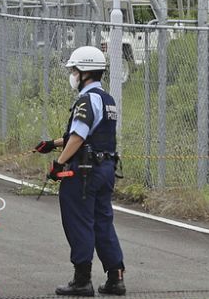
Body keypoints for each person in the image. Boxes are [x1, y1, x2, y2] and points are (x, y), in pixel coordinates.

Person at [35, 46, 126, 296]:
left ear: (84, 72)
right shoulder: (107, 100)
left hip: (84, 171)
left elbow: (78, 136)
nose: (72, 74)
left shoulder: (86, 99)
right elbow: (92, 135)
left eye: (74, 70)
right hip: (106, 167)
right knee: (103, 221)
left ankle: (82, 280)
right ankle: (115, 276)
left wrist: (58, 164)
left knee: (79, 221)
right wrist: (52, 144)